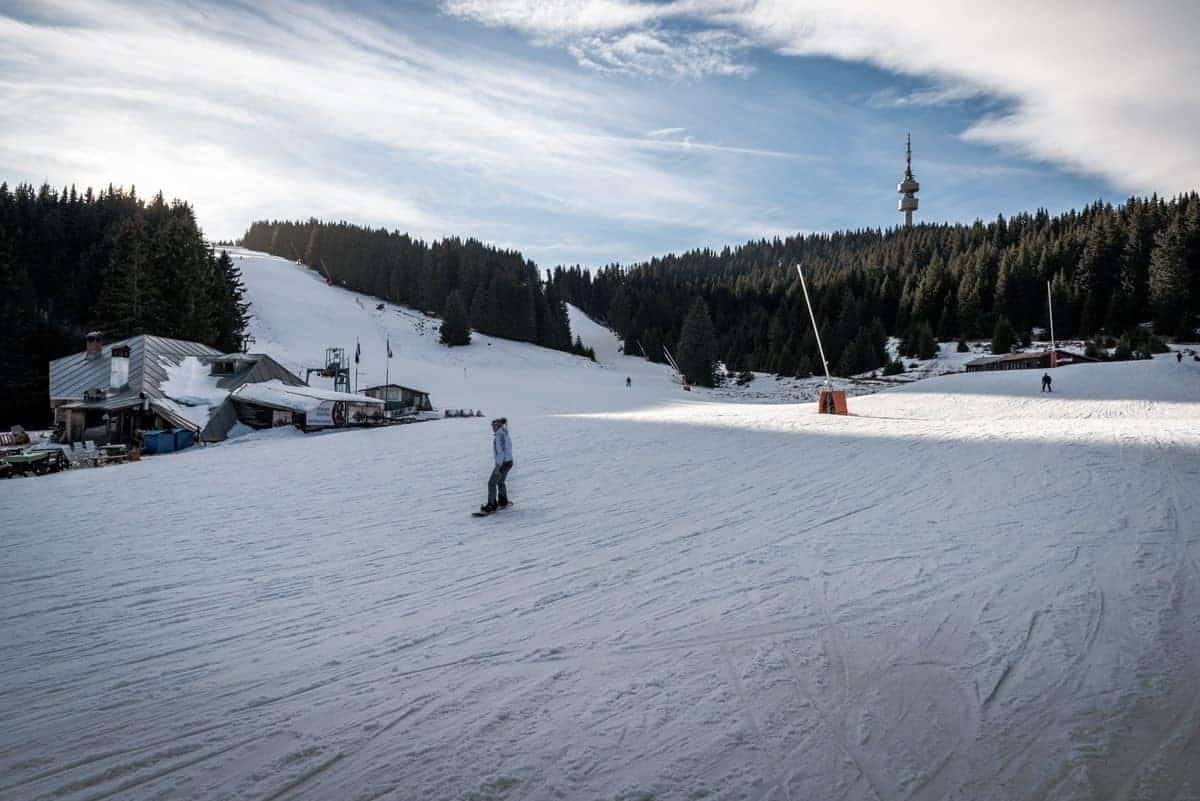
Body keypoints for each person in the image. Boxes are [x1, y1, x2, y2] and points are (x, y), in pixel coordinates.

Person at [482, 417, 513, 514]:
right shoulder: (504, 432)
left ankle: (491, 505)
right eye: (492, 425)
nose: (492, 427)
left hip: (503, 463)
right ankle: (503, 501)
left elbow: (501, 453)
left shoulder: (499, 436)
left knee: (491, 483)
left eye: (494, 425)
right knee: (500, 481)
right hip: (509, 462)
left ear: (498, 425)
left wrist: (498, 467)